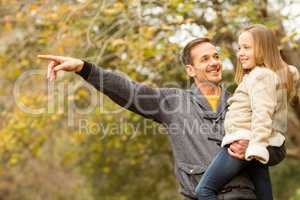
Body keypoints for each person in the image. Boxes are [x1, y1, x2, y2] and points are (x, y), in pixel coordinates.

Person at [38, 37, 287, 199]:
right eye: (205, 59)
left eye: (216, 56)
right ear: (190, 70)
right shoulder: (172, 102)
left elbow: (277, 148)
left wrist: (251, 149)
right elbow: (129, 91)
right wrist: (85, 68)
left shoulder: (245, 99)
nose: (214, 63)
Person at [195, 24, 299, 200]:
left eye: (247, 48)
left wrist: (256, 146)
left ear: (263, 49)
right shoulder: (264, 76)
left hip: (246, 140)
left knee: (204, 191)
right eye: (239, 48)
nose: (240, 53)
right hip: (257, 141)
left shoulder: (261, 76)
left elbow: (262, 112)